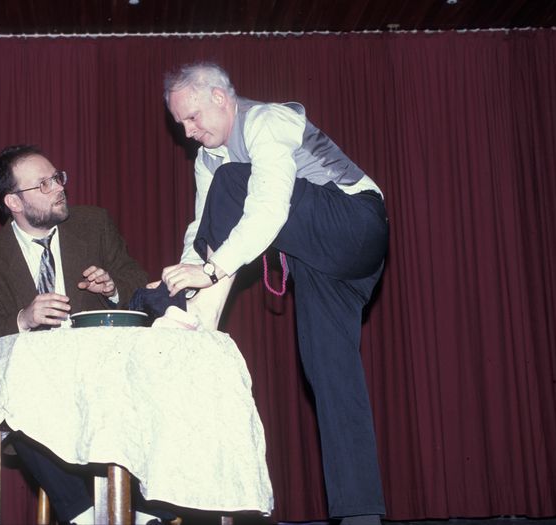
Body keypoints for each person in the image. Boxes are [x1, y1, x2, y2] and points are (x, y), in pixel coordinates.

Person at [157, 63, 389, 525]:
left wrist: (210, 271)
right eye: (181, 123)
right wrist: (183, 275)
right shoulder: (209, 159)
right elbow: (202, 228)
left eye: (193, 117)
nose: (188, 132)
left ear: (220, 98)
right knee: (328, 374)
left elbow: (268, 209)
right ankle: (362, 516)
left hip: (355, 226)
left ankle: (200, 324)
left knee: (232, 184)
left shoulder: (268, 120)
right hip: (319, 262)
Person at [0, 144, 163, 525]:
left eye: (57, 177)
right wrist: (23, 317)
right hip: (43, 392)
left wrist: (112, 289)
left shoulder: (94, 224)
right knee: (17, 406)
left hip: (107, 379)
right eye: (44, 184)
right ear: (14, 202)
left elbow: (138, 283)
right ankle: (83, 516)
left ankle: (147, 512)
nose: (58, 188)